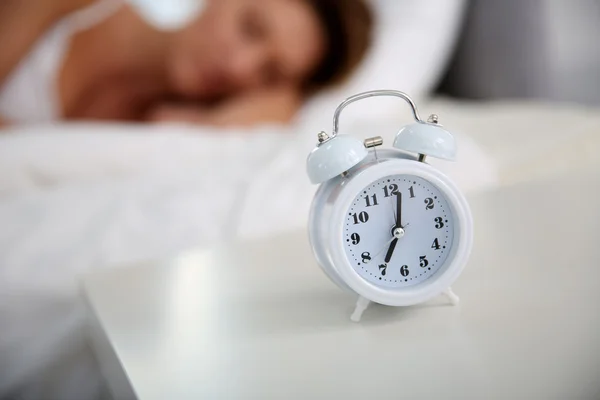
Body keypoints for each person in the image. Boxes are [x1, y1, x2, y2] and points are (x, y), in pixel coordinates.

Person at [0, 0, 372, 127]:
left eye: (269, 74)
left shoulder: (167, 133)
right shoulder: (71, 8)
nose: (240, 68)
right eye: (250, 28)